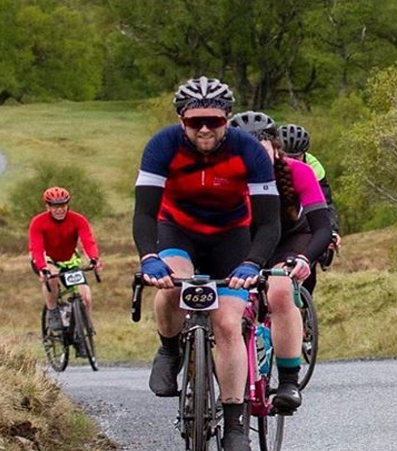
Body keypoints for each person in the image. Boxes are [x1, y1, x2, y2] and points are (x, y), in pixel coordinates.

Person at [133, 77, 283, 451]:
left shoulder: (248, 150)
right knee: (170, 287)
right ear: (181, 119)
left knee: (229, 323)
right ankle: (169, 350)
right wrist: (148, 257)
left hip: (231, 238)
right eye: (194, 120)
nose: (204, 128)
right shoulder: (161, 146)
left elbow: (269, 222)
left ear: (227, 119)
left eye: (214, 121)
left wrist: (253, 262)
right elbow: (145, 213)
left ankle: (233, 424)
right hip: (177, 231)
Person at [230, 111, 336, 411]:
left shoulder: (298, 172)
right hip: (239, 242)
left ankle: (289, 381)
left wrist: (304, 259)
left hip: (290, 240)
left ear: (275, 149)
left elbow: (322, 226)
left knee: (279, 290)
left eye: (260, 153)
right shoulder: (221, 176)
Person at [28, 186, 102, 334]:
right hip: (46, 259)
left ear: (67, 204)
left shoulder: (78, 220)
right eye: (55, 206)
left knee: (85, 297)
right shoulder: (38, 222)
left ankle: (83, 331)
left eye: (62, 205)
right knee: (52, 278)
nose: (59, 210)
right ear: (48, 206)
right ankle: (53, 311)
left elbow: (87, 241)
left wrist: (94, 258)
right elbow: (37, 248)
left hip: (68, 260)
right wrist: (43, 267)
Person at [276, 123, 339, 292]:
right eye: (285, 156)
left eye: (296, 157)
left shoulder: (313, 167)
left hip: (304, 215)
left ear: (304, 154)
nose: (290, 162)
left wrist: (332, 230)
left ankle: (304, 300)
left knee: (310, 243)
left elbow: (325, 203)